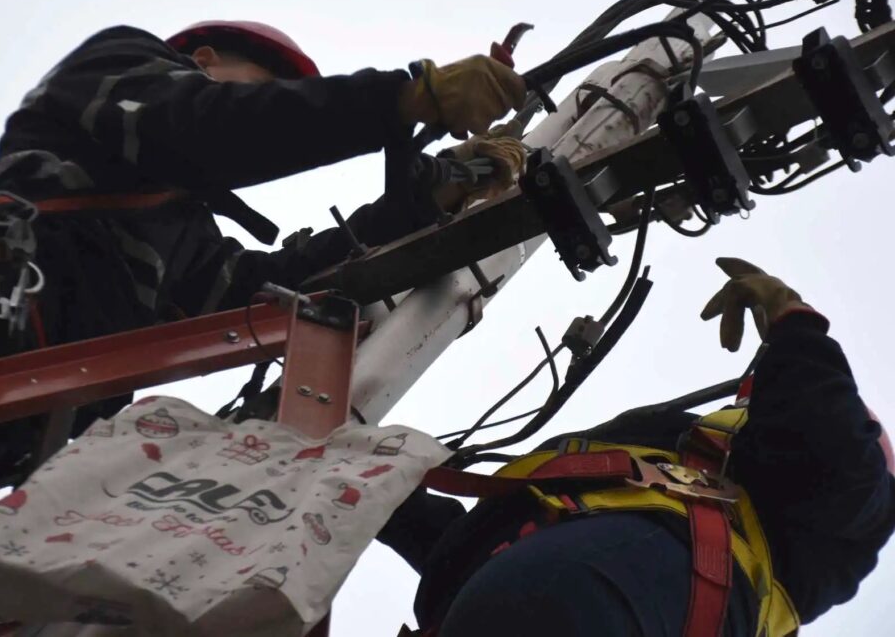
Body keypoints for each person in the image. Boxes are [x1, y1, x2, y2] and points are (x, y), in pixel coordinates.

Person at [0, 20, 528, 588]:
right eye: (263, 82)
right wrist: (405, 97)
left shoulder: (180, 239)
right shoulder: (116, 72)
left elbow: (275, 291)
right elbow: (209, 126)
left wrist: (427, 196)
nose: (272, 100)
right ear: (204, 59)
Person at [380, 257, 895, 636]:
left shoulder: (849, 493)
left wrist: (796, 327)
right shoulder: (652, 491)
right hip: (521, 592)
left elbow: (827, 434)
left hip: (605, 595)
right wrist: (379, 491)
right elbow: (482, 542)